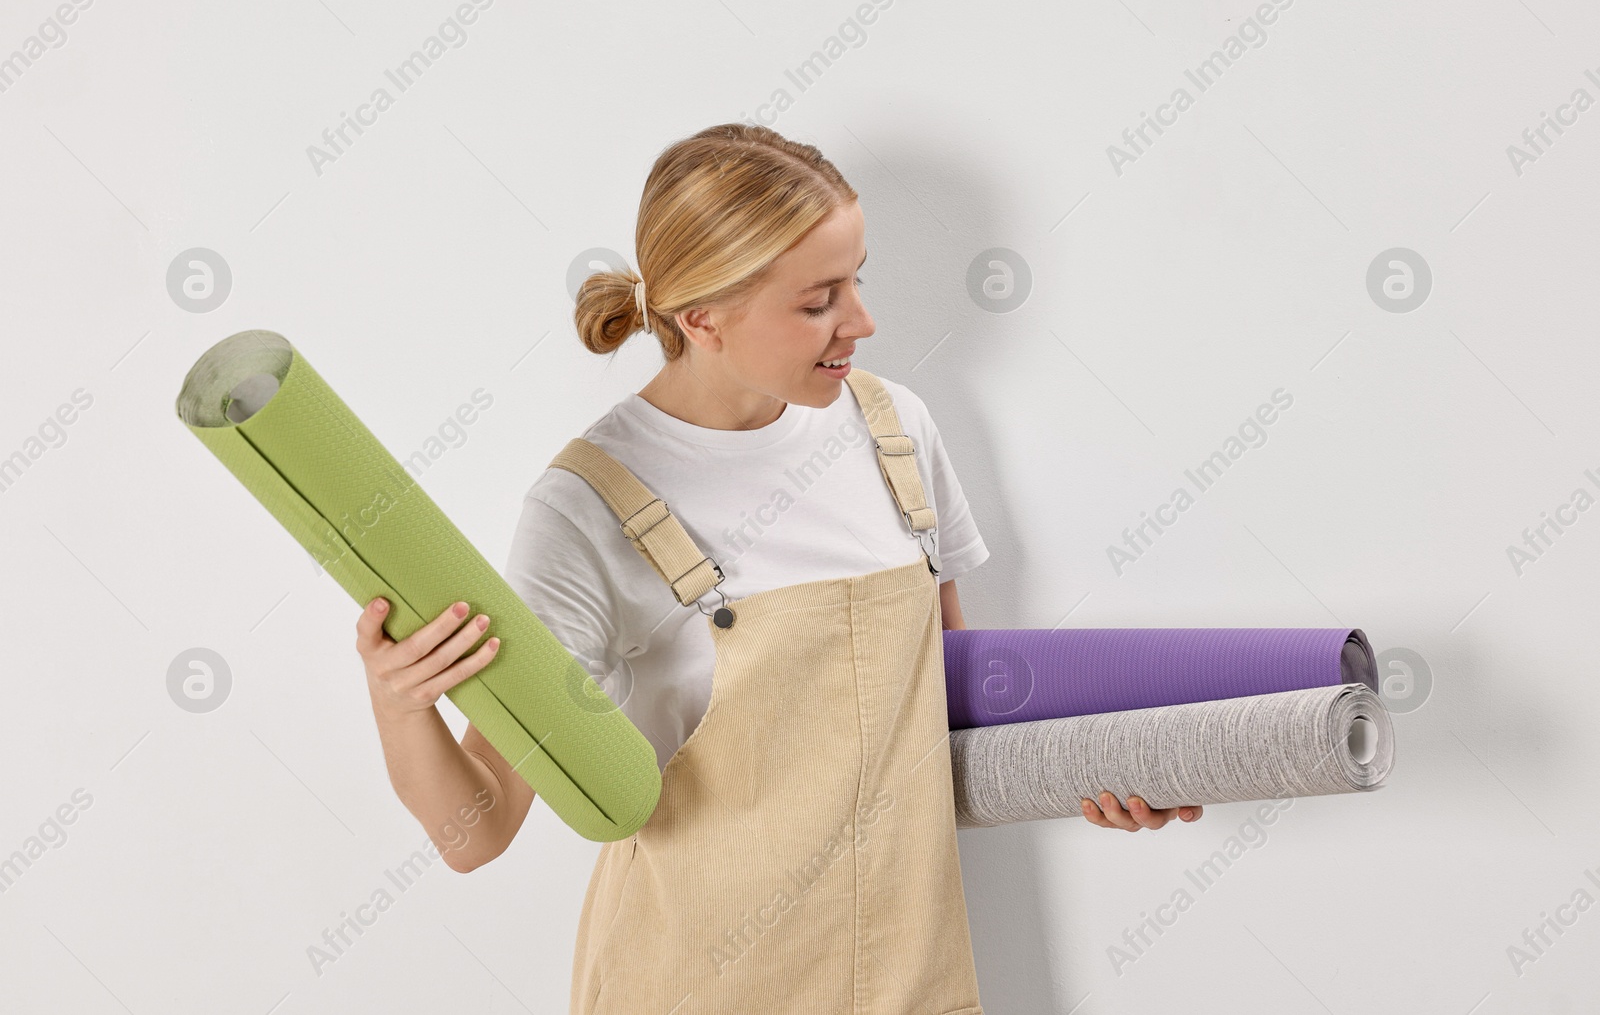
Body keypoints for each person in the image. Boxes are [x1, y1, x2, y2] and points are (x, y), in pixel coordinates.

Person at [353, 123, 1201, 1012]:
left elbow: (949, 715)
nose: (863, 321)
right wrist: (400, 701)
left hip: (909, 979)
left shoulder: (895, 433)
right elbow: (477, 830)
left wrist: (1100, 770)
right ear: (702, 316)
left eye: (857, 279)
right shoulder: (586, 506)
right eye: (819, 300)